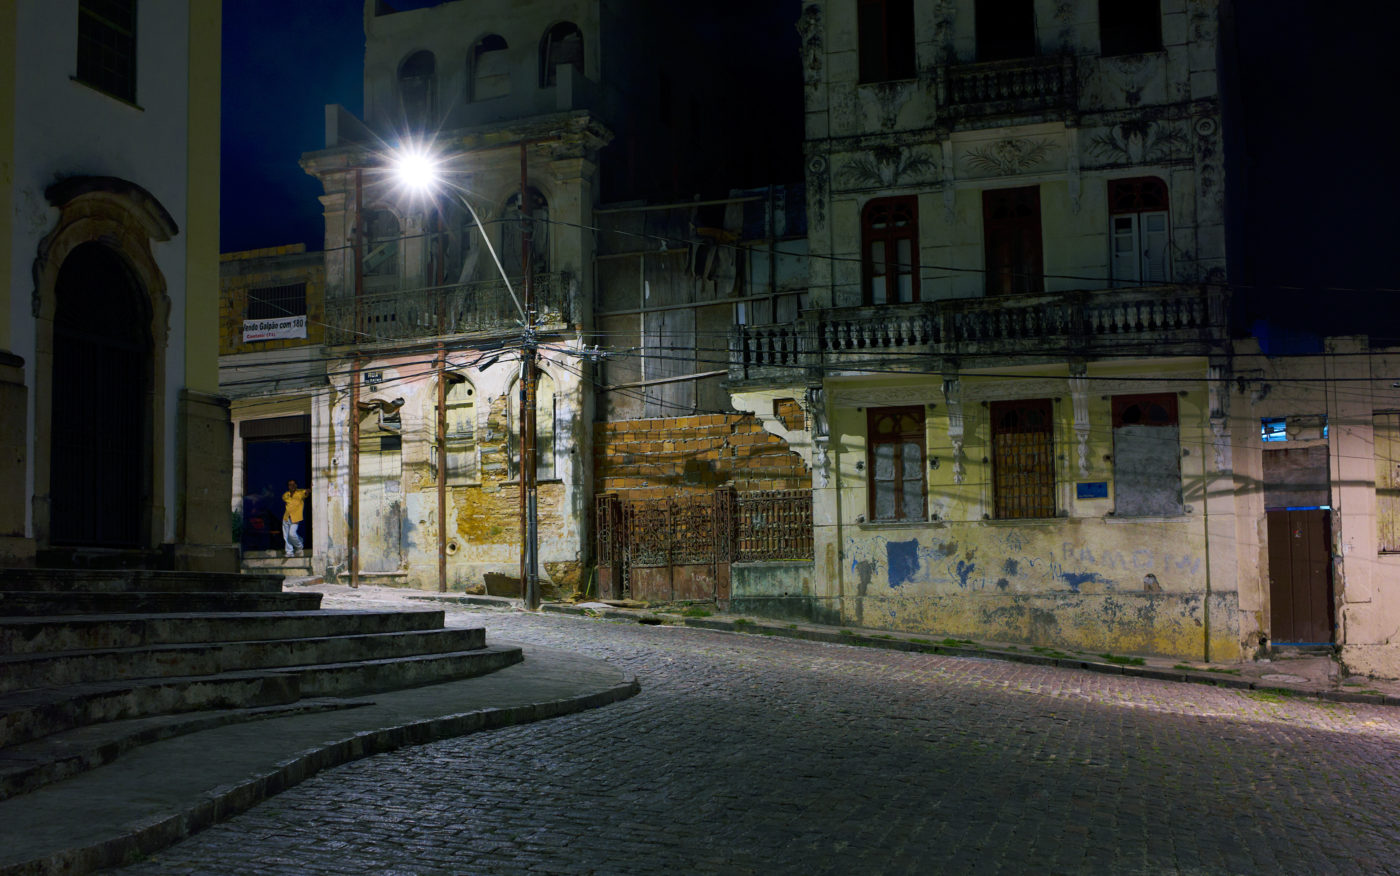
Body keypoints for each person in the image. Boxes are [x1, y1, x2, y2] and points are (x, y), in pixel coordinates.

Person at [282, 479, 309, 558]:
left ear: (296, 485)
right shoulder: (286, 495)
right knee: (286, 536)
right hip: (286, 518)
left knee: (292, 534)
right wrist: (293, 492)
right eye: (290, 485)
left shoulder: (300, 493)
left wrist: (307, 491)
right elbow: (287, 499)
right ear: (288, 486)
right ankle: (289, 552)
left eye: (293, 484)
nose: (292, 486)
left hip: (295, 518)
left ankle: (299, 546)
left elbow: (306, 493)